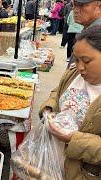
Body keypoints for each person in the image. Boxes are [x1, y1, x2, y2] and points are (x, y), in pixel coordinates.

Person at [40, 26, 101, 180]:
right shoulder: (74, 73)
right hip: (53, 162)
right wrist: (49, 107)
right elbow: (57, 91)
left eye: (86, 61)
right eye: (77, 59)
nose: (80, 67)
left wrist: (72, 138)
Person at [67, 0, 101, 67]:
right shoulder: (89, 30)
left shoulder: (97, 36)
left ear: (99, 7)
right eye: (74, 5)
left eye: (81, 5)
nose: (75, 10)